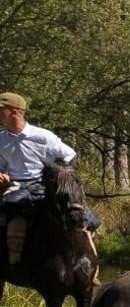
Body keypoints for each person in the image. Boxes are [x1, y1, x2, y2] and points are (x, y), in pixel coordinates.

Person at [0, 92, 98, 265]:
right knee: (12, 209)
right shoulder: (1, 140)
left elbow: (69, 156)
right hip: (17, 186)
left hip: (47, 185)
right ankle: (13, 261)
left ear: (14, 112)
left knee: (86, 218)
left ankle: (90, 263)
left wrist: (58, 175)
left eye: (1, 111)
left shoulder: (43, 137)